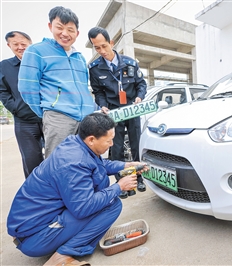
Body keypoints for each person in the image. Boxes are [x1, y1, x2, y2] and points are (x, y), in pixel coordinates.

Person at [7, 112, 148, 266]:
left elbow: (99, 165)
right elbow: (83, 208)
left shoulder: (77, 144)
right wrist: (119, 186)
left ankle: (67, 241)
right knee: (112, 205)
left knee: (105, 198)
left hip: (36, 226)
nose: (112, 144)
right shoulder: (74, 163)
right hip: (34, 237)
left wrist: (125, 165)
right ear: (92, 139)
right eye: (109, 140)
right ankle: (63, 255)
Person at [18, 6, 95, 158]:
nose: (65, 33)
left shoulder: (79, 57)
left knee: (85, 160)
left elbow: (84, 89)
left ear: (77, 33)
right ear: (50, 26)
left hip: (86, 119)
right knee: (58, 162)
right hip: (58, 118)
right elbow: (27, 88)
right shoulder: (36, 51)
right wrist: (50, 110)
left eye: (70, 30)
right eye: (59, 27)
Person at [88, 26, 147, 193]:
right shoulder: (94, 68)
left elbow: (141, 84)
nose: (102, 51)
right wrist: (102, 105)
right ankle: (122, 183)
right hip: (113, 113)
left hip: (132, 110)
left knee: (136, 145)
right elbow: (98, 91)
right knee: (117, 148)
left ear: (111, 43)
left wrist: (139, 97)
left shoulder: (130, 63)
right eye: (97, 47)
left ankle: (138, 178)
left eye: (104, 46)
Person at [0, 31, 44, 178]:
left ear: (30, 44)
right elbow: (3, 92)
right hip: (24, 122)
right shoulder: (4, 66)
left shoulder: (41, 62)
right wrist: (15, 108)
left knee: (56, 156)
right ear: (9, 45)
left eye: (23, 44)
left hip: (47, 117)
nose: (20, 47)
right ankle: (35, 195)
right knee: (31, 160)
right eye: (15, 44)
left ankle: (55, 193)